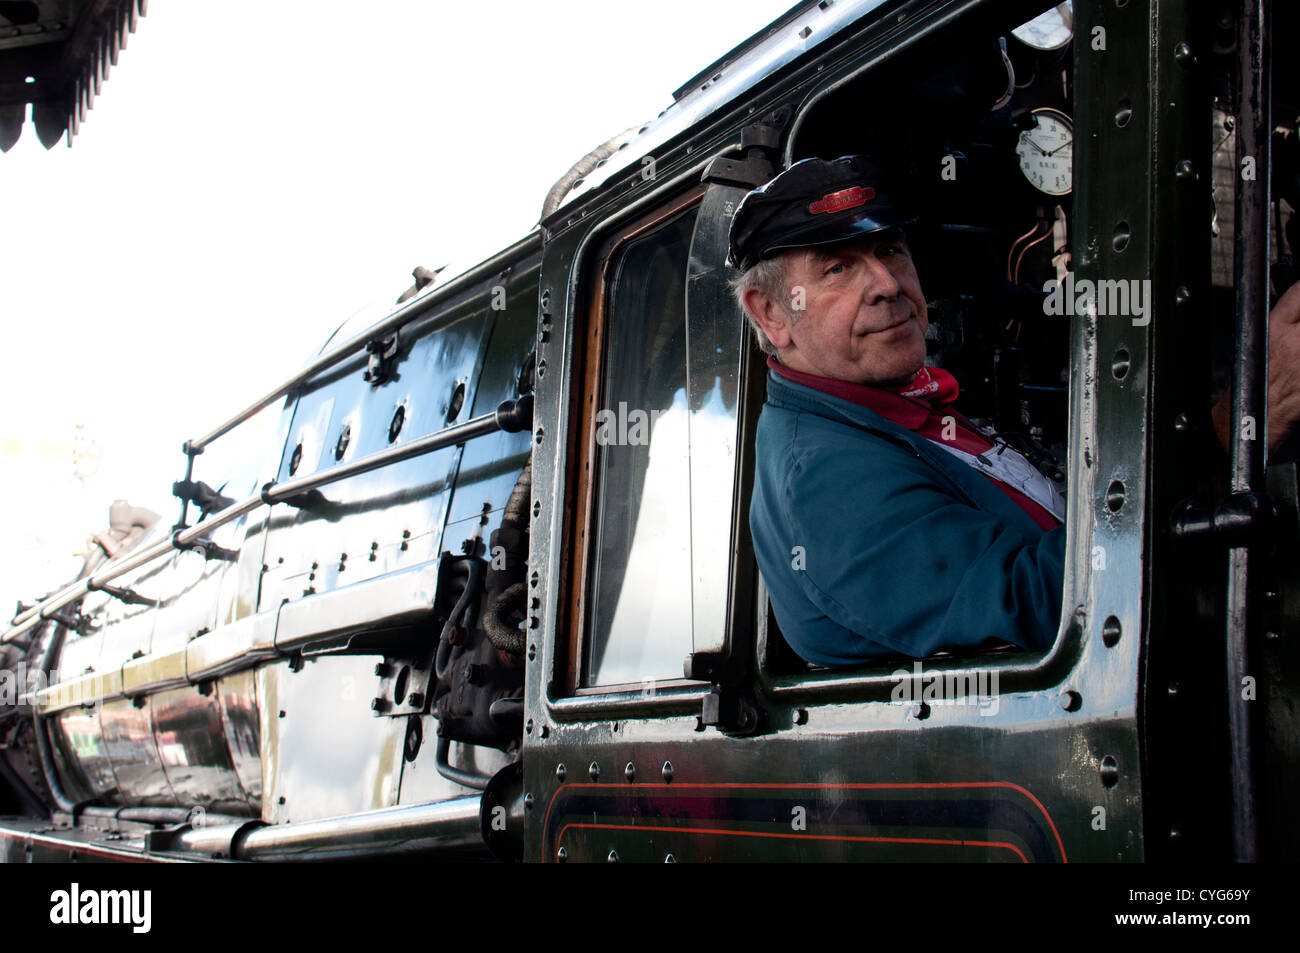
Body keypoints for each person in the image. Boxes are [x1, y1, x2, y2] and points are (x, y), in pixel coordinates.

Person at [729, 154, 1300, 667]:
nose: (886, 283)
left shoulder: (902, 409)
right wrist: (1237, 428)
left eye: (889, 250)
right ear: (772, 314)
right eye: (837, 268)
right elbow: (1060, 607)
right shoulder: (822, 474)